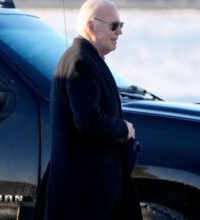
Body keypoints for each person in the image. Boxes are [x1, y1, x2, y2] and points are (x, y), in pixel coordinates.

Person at [33, 0, 142, 219]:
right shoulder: (80, 62)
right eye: (114, 26)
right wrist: (123, 129)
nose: (120, 31)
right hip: (84, 193)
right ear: (92, 27)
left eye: (121, 25)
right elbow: (88, 120)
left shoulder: (88, 59)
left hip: (89, 189)